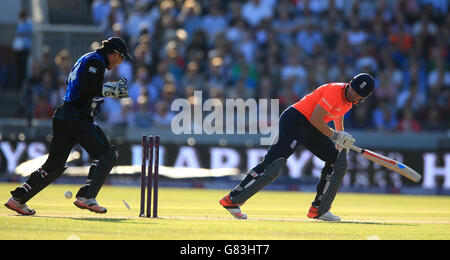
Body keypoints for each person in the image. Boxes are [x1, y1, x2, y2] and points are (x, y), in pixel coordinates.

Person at [219, 73, 375, 222]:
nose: (352, 93)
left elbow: (338, 112)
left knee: (338, 161)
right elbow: (316, 119)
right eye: (352, 89)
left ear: (362, 98)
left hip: (310, 127)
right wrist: (335, 136)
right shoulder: (335, 90)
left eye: (357, 94)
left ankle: (320, 209)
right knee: (274, 165)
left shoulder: (350, 100)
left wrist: (340, 133)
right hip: (296, 120)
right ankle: (232, 199)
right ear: (350, 83)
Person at [4, 37, 132, 215]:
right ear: (115, 54)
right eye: (122, 57)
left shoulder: (88, 58)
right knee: (107, 153)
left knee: (54, 165)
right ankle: (86, 196)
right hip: (76, 116)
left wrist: (91, 103)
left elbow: (75, 86)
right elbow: (88, 87)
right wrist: (110, 90)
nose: (121, 62)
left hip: (65, 114)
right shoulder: (97, 61)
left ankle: (18, 199)